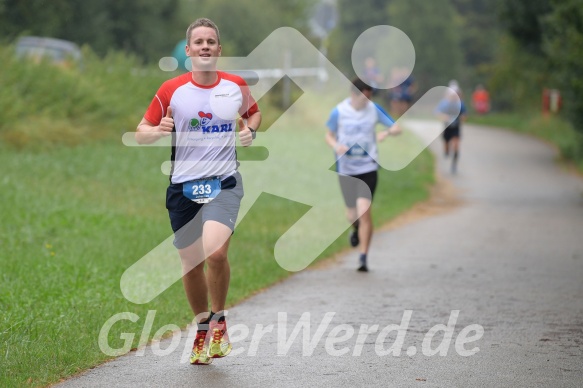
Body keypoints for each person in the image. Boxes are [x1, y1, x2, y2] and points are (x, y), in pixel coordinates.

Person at [135, 18, 261, 365]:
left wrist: (250, 131)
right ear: (188, 51)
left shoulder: (236, 85)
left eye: (211, 41)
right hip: (183, 187)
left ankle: (219, 321)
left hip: (224, 183)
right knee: (190, 264)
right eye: (199, 42)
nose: (205, 46)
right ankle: (202, 326)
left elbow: (254, 113)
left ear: (219, 49)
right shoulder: (171, 89)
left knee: (216, 254)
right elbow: (140, 130)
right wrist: (157, 131)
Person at [325, 78, 400, 272]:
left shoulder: (374, 109)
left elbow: (396, 127)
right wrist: (336, 146)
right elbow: (328, 135)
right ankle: (356, 229)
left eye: (369, 98)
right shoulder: (339, 112)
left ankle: (363, 257)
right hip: (346, 170)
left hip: (368, 168)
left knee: (364, 212)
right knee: (352, 214)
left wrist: (387, 132)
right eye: (363, 98)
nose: (366, 102)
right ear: (354, 94)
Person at [436, 85, 466, 174]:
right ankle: (446, 152)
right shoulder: (444, 103)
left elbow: (464, 115)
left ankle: (454, 165)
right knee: (446, 144)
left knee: (456, 145)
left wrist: (461, 118)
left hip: (456, 127)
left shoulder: (461, 104)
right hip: (447, 127)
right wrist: (444, 117)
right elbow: (438, 112)